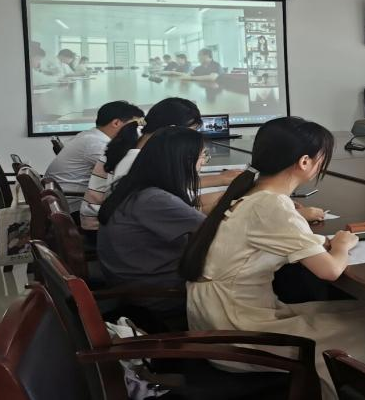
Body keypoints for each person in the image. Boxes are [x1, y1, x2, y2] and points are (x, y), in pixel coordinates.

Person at [179, 117, 365, 398]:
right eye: (322, 158)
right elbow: (329, 271)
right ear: (305, 162)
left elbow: (275, 238)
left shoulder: (253, 192)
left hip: (221, 318)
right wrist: (342, 244)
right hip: (240, 330)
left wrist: (318, 239)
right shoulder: (271, 204)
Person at [97, 126, 207, 325]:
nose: (203, 163)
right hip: (159, 294)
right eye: (202, 157)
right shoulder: (155, 199)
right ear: (184, 161)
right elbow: (214, 231)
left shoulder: (135, 187)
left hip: (133, 283)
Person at [81, 98, 242, 232]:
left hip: (117, 224)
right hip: (104, 229)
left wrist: (222, 181)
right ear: (171, 130)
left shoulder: (135, 143)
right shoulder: (136, 159)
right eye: (190, 131)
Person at [45, 100, 144, 212]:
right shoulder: (96, 143)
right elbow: (125, 171)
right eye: (136, 126)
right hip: (74, 206)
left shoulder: (90, 136)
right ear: (116, 123)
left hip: (66, 199)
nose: (139, 131)